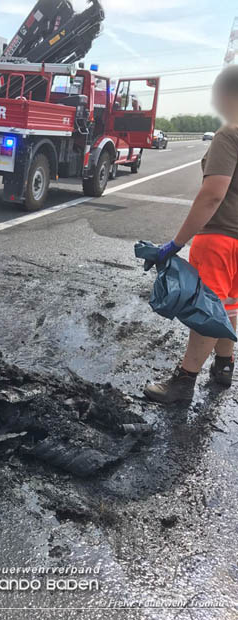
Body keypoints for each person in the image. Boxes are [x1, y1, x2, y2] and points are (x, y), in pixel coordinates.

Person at [145, 65, 238, 404]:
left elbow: (213, 193)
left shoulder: (229, 134)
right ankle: (224, 366)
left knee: (205, 311)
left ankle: (184, 383)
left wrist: (176, 243)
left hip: (221, 238)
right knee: (228, 304)